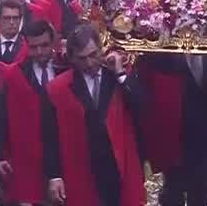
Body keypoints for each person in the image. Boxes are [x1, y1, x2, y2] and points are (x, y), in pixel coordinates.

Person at [43, 24, 146, 205]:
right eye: (82, 58)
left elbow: (142, 107)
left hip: (119, 167)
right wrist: (54, 175)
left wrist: (120, 73)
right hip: (82, 169)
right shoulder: (57, 88)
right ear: (72, 57)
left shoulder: (119, 77)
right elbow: (50, 136)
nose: (89, 63)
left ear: (101, 49)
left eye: (93, 55)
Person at [136, 48, 207, 206]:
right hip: (174, 135)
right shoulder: (162, 52)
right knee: (172, 190)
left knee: (201, 191)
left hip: (206, 138)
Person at [0, 20, 65, 205]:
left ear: (54, 42)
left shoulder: (67, 68)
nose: (39, 52)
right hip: (27, 161)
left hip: (66, 157)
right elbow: (1, 117)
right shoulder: (14, 75)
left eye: (44, 46)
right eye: (34, 47)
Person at [0, 0, 28, 65]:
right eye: (7, 18)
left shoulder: (27, 44)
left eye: (15, 18)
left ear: (20, 20)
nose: (12, 22)